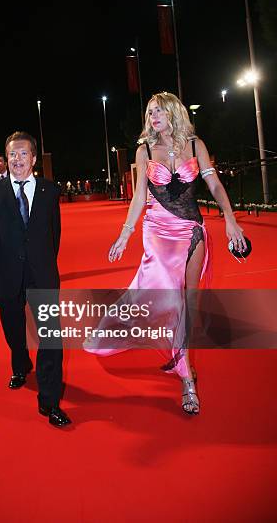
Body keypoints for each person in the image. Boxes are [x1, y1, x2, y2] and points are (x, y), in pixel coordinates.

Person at [88, 92, 246, 415]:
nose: (153, 116)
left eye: (158, 110)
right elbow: (138, 197)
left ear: (173, 111)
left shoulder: (195, 145)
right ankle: (188, 379)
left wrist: (229, 219)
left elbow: (214, 186)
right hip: (157, 231)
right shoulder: (144, 151)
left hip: (193, 230)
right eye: (149, 112)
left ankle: (180, 357)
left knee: (187, 302)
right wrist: (125, 233)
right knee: (168, 299)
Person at [0, 131, 71, 427]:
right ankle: (20, 361)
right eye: (12, 154)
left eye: (23, 154)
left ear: (34, 159)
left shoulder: (50, 192)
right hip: (8, 276)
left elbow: (55, 235)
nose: (17, 159)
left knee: (51, 339)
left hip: (42, 275)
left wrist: (44, 264)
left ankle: (50, 401)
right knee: (15, 333)